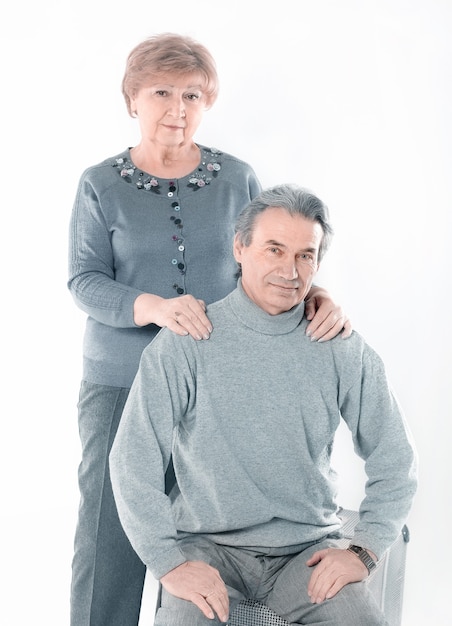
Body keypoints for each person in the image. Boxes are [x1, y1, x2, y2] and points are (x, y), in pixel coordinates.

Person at [67, 34, 352, 626]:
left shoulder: (238, 179)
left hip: (219, 379)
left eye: (192, 95)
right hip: (121, 381)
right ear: (132, 100)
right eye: (162, 93)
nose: (177, 109)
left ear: (208, 101)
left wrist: (315, 291)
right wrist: (154, 307)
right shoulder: (100, 184)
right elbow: (84, 280)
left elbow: (270, 255)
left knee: (215, 527)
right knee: (112, 529)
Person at [109, 183, 417, 626]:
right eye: (274, 249)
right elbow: (133, 457)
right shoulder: (187, 341)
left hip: (306, 553)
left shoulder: (340, 347)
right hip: (208, 548)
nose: (290, 270)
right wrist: (167, 562)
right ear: (240, 247)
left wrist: (365, 551)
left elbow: (396, 459)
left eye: (305, 255)